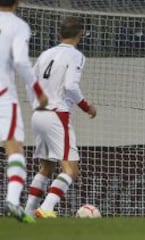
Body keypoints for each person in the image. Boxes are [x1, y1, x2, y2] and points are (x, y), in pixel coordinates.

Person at [24, 17, 96, 218]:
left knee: (46, 166)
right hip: (57, 115)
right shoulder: (76, 56)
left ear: (59, 34)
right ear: (81, 34)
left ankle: (28, 211)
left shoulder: (46, 54)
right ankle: (46, 209)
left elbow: (31, 83)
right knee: (71, 169)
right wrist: (86, 106)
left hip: (38, 114)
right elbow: (71, 86)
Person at [0, 0, 48, 223]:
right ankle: (12, 200)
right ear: (17, 2)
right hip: (3, 96)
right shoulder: (17, 26)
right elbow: (20, 61)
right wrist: (38, 91)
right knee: (14, 146)